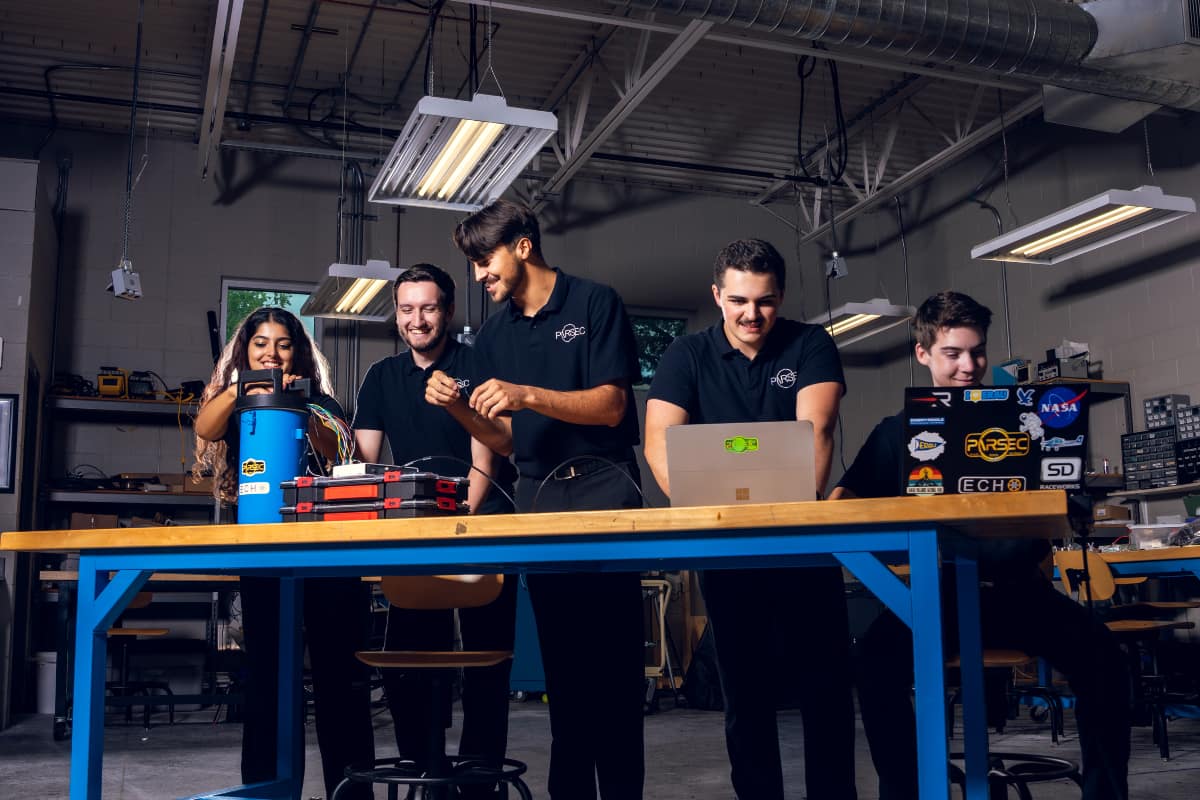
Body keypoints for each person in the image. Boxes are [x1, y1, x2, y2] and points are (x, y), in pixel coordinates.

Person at [829, 290, 1131, 800]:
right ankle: (905, 792)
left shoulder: (1025, 421)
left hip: (1018, 594)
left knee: (1105, 662)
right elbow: (842, 500)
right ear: (923, 353)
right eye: (953, 353)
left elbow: (1068, 501)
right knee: (874, 666)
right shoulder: (897, 433)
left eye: (978, 351)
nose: (969, 366)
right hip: (935, 595)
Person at [435, 199, 645, 800]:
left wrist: (528, 393)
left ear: (522, 246)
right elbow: (502, 441)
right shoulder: (495, 334)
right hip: (542, 495)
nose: (478, 275)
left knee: (616, 672)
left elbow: (611, 406)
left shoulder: (594, 302)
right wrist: (456, 407)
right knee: (566, 674)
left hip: (607, 487)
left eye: (483, 260)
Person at [642, 238, 858, 800]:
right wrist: (699, 507)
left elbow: (818, 432)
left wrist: (787, 510)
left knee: (826, 689)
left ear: (779, 296)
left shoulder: (810, 343)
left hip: (804, 545)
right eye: (738, 300)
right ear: (717, 296)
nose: (751, 314)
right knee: (747, 694)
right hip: (727, 548)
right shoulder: (685, 356)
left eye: (764, 301)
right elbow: (658, 443)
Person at [194, 307, 374, 800]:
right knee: (268, 675)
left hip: (325, 550)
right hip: (263, 548)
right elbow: (207, 428)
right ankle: (265, 788)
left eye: (283, 344)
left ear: (298, 352)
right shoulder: (237, 403)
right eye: (260, 343)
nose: (271, 352)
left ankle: (351, 790)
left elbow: (342, 454)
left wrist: (298, 403)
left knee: (340, 676)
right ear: (245, 350)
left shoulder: (321, 402)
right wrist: (241, 388)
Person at [353, 263, 518, 798]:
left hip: (482, 525)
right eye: (406, 309)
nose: (416, 319)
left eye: (428, 308)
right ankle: (422, 765)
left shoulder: (480, 363)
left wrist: (459, 522)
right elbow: (366, 461)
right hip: (415, 531)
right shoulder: (381, 376)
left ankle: (478, 776)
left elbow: (484, 460)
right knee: (411, 658)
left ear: (447, 311)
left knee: (486, 659)